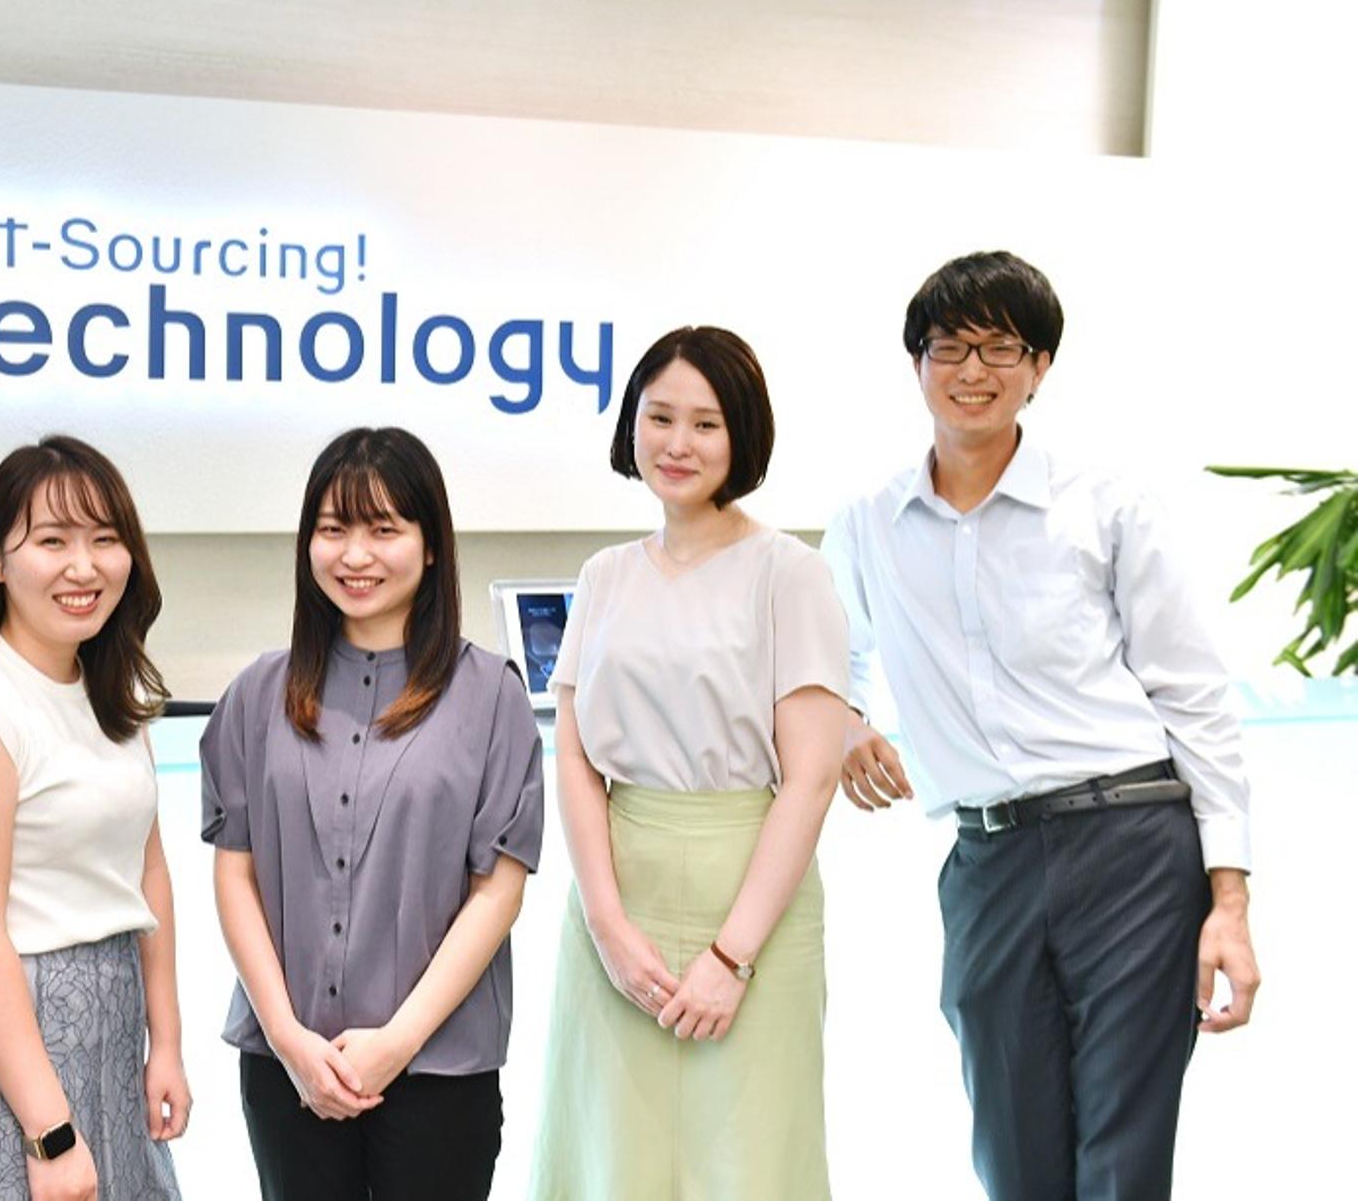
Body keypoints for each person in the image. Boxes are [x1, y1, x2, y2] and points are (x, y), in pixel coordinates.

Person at [821, 251, 1261, 1200]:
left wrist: (1229, 899)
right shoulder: (866, 525)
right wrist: (849, 719)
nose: (973, 370)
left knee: (1121, 1152)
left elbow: (1193, 697)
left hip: (1132, 842)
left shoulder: (1106, 506)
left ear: (1040, 367)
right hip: (987, 860)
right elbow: (825, 659)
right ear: (917, 362)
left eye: (1001, 348)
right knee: (1012, 1151)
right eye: (950, 347)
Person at [530, 325, 850, 1199]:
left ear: (744, 434)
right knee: (608, 1154)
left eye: (706, 423)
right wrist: (605, 921)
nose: (678, 443)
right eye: (659, 416)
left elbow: (812, 778)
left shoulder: (790, 572)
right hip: (616, 894)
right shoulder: (604, 574)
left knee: (747, 1163)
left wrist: (731, 956)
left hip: (752, 897)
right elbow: (575, 753)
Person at [201, 426, 543, 1201]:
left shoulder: (492, 695)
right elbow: (234, 874)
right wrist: (287, 1037)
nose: (356, 554)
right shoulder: (257, 693)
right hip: (288, 1069)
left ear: (431, 545)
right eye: (334, 529)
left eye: (384, 528)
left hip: (440, 1069)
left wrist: (398, 1040)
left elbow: (498, 889)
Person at [0, 435, 188, 1201]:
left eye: (105, 539)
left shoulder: (112, 692)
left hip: (113, 1030)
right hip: (11, 1056)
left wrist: (166, 1041)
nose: (83, 567)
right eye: (53, 541)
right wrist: (50, 1131)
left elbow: (148, 871)